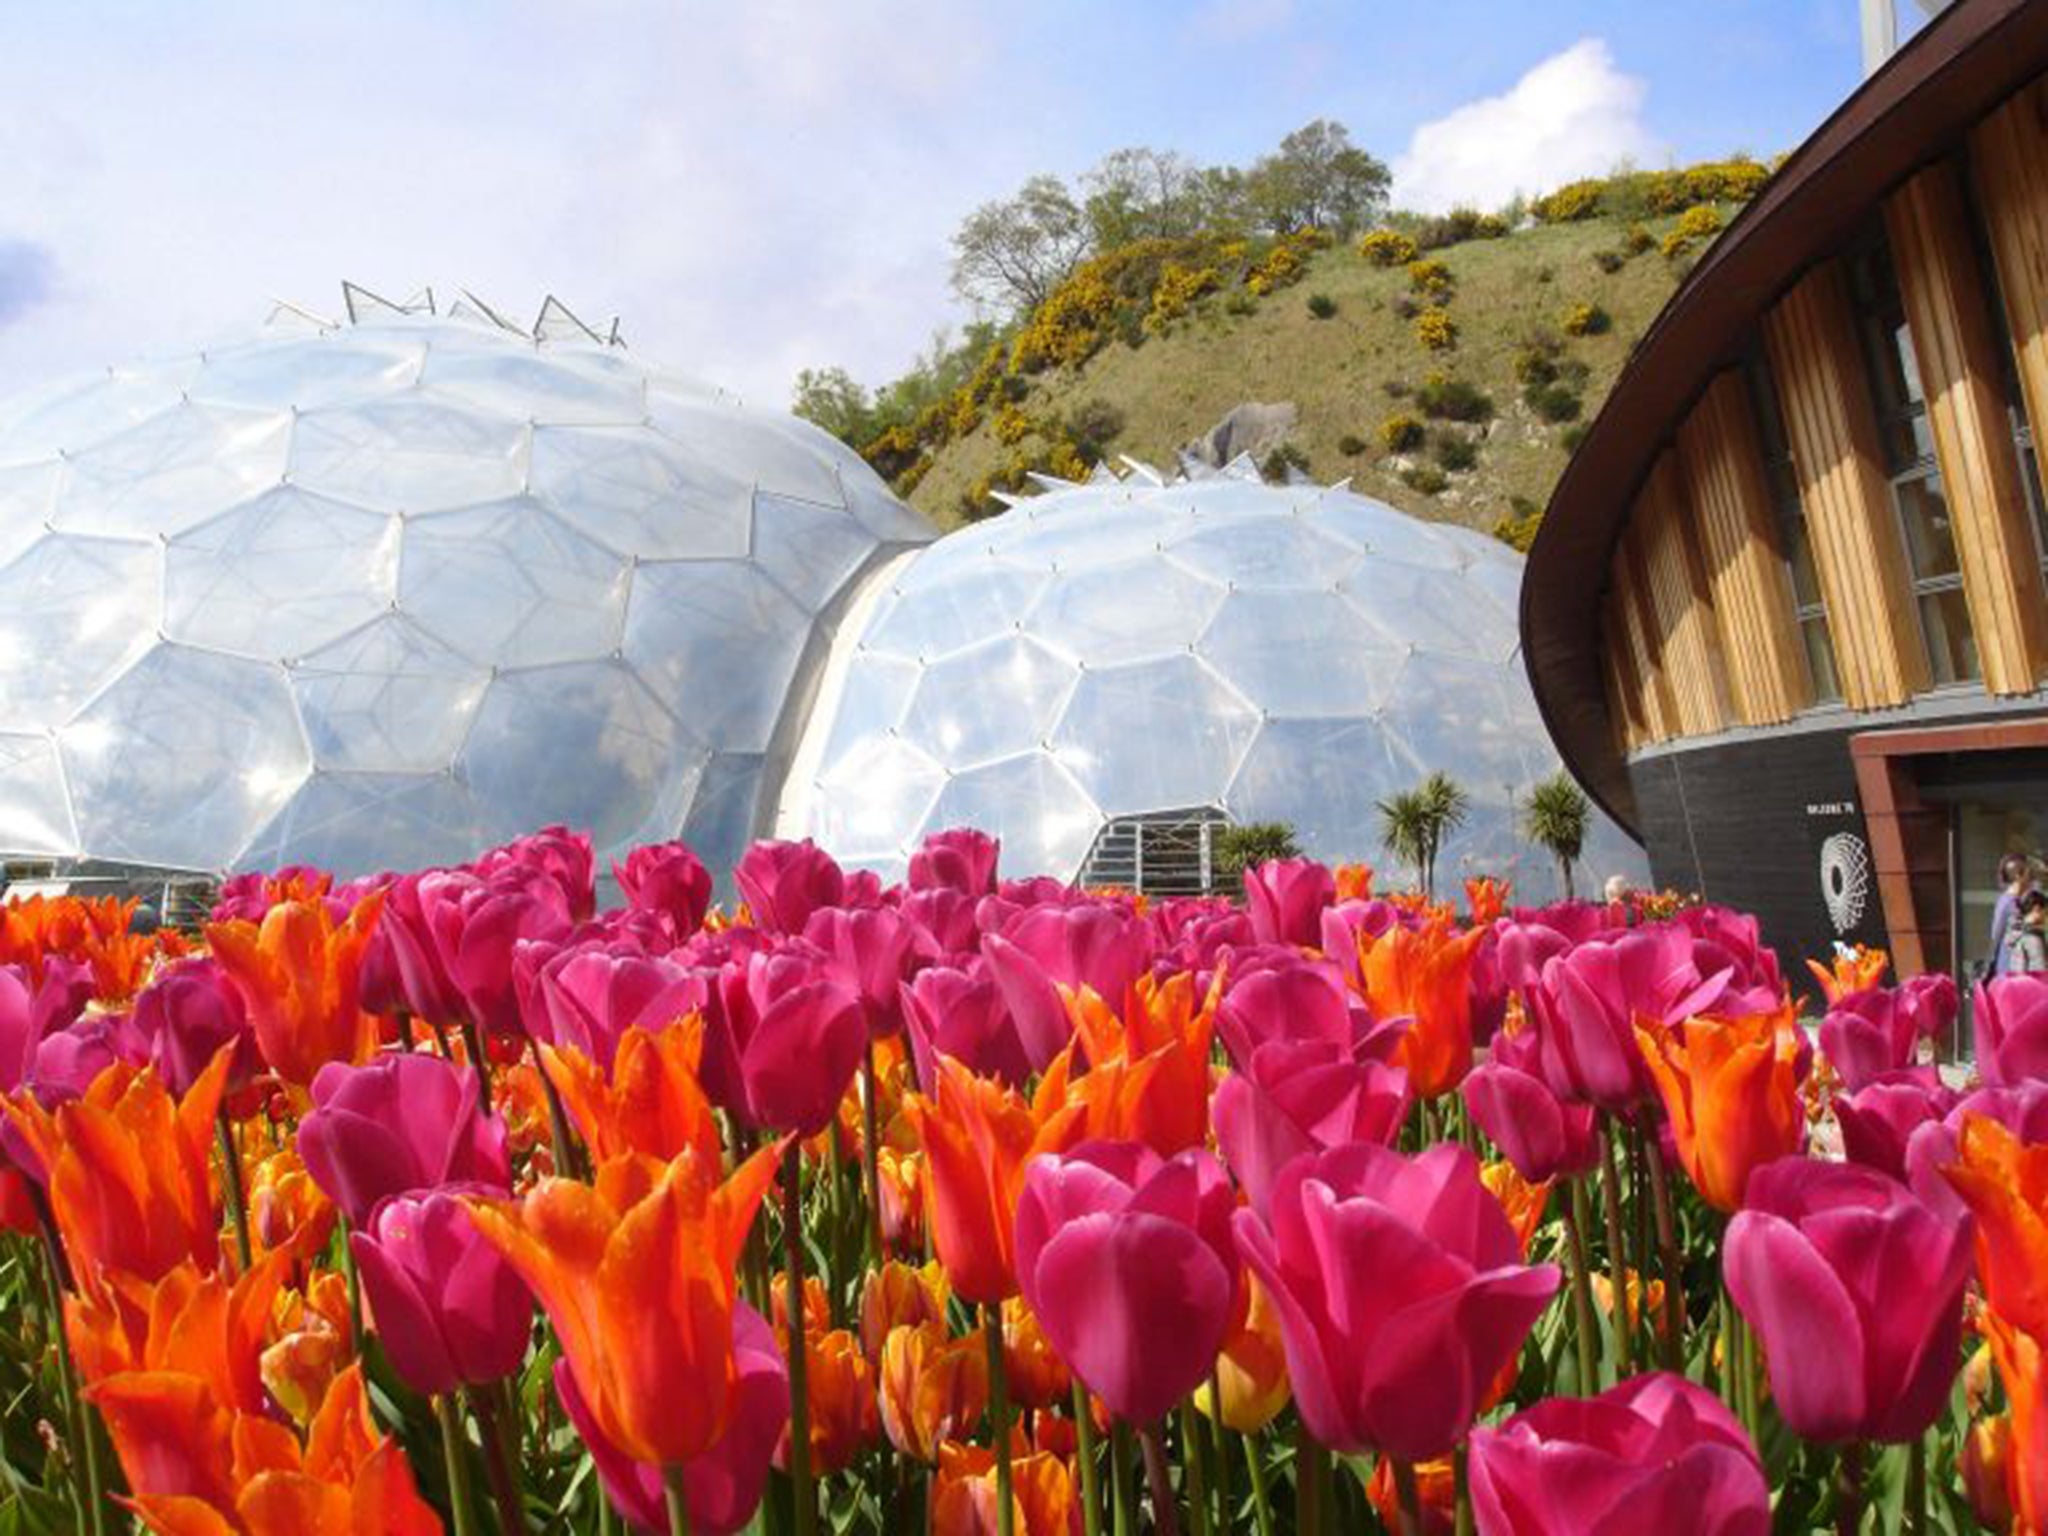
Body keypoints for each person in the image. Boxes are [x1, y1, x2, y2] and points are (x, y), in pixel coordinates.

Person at [1989, 853, 2033, 977]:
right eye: (2028, 873)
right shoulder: (2006, 903)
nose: (2031, 878)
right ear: (2018, 876)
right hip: (2009, 968)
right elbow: (1996, 934)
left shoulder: (2025, 900)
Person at [2010, 890, 2048, 975]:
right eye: (2045, 912)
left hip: (2019, 983)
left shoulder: (2018, 932)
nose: (2046, 917)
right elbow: (2040, 971)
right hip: (2033, 985)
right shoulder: (2033, 937)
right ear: (2036, 909)